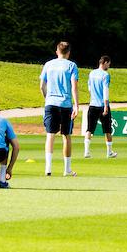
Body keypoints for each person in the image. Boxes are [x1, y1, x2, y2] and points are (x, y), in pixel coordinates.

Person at [40, 41, 80, 177]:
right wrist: (76, 105)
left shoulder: (48, 64)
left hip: (50, 103)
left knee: (50, 135)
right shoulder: (72, 66)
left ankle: (48, 168)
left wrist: (47, 99)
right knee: (66, 135)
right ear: (68, 53)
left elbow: (41, 85)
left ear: (57, 51)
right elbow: (74, 87)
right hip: (65, 104)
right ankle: (67, 169)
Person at [84, 56, 116, 159]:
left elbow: (89, 88)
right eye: (108, 64)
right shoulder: (105, 75)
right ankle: (109, 152)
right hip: (102, 105)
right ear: (105, 62)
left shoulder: (91, 73)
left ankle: (86, 151)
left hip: (92, 105)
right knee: (107, 130)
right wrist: (106, 105)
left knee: (89, 129)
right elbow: (105, 91)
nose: (109, 66)